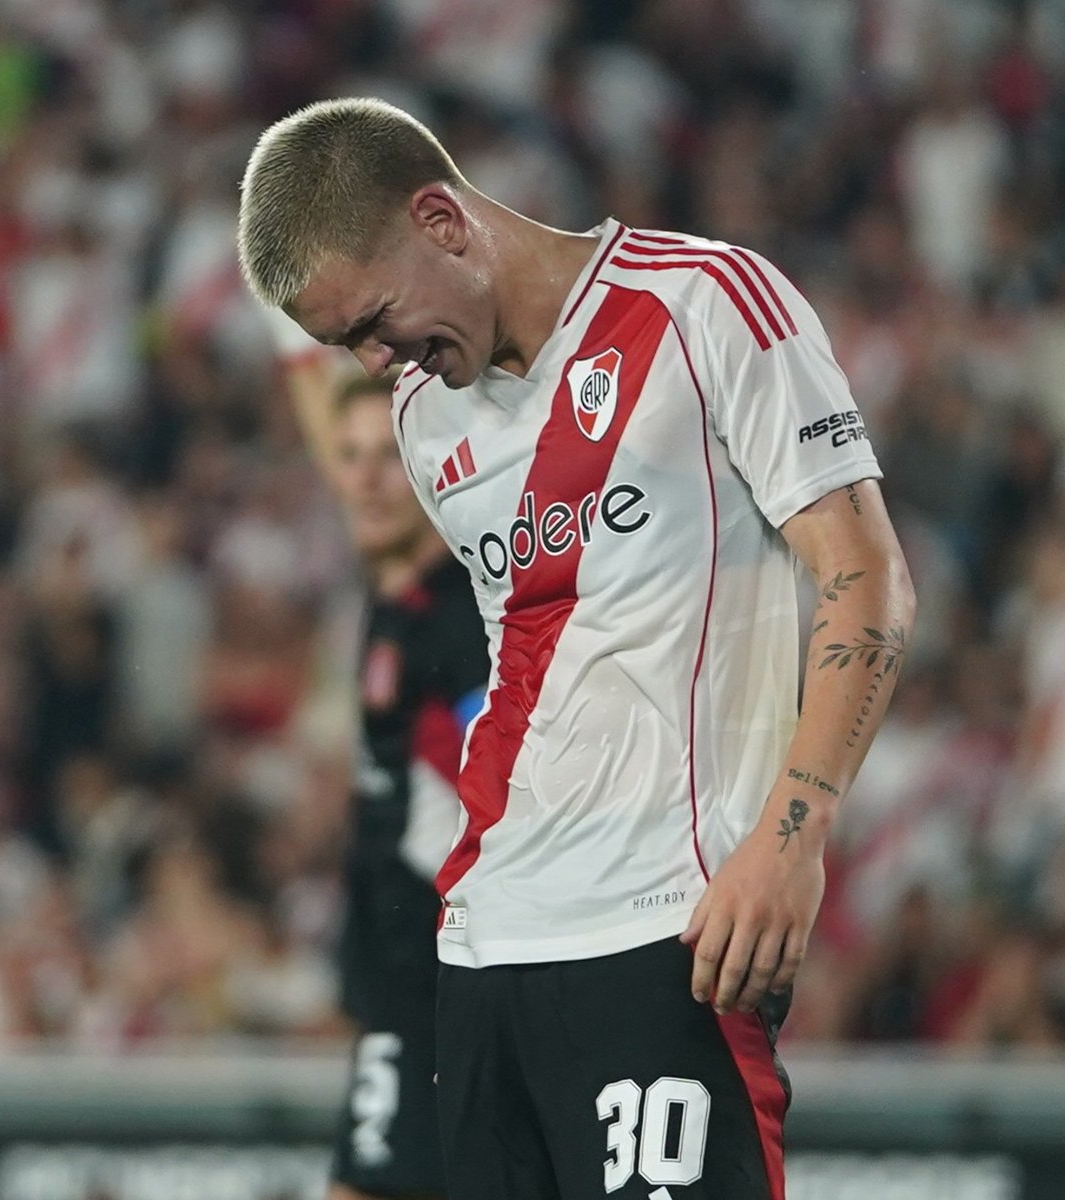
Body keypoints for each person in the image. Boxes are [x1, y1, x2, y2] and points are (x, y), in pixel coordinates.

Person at [238, 98, 917, 1200]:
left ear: (440, 221)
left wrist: (792, 834)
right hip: (483, 947)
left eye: (373, 320)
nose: (373, 360)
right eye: (343, 345)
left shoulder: (702, 304)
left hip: (667, 930)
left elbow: (866, 579)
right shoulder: (425, 416)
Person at [268, 308, 486, 1199]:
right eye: (347, 458)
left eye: (385, 461)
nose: (358, 479)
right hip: (403, 975)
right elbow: (362, 474)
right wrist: (292, 340)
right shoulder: (399, 592)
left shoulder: (462, 624)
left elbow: (498, 793)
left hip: (441, 981)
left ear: (433, 470)